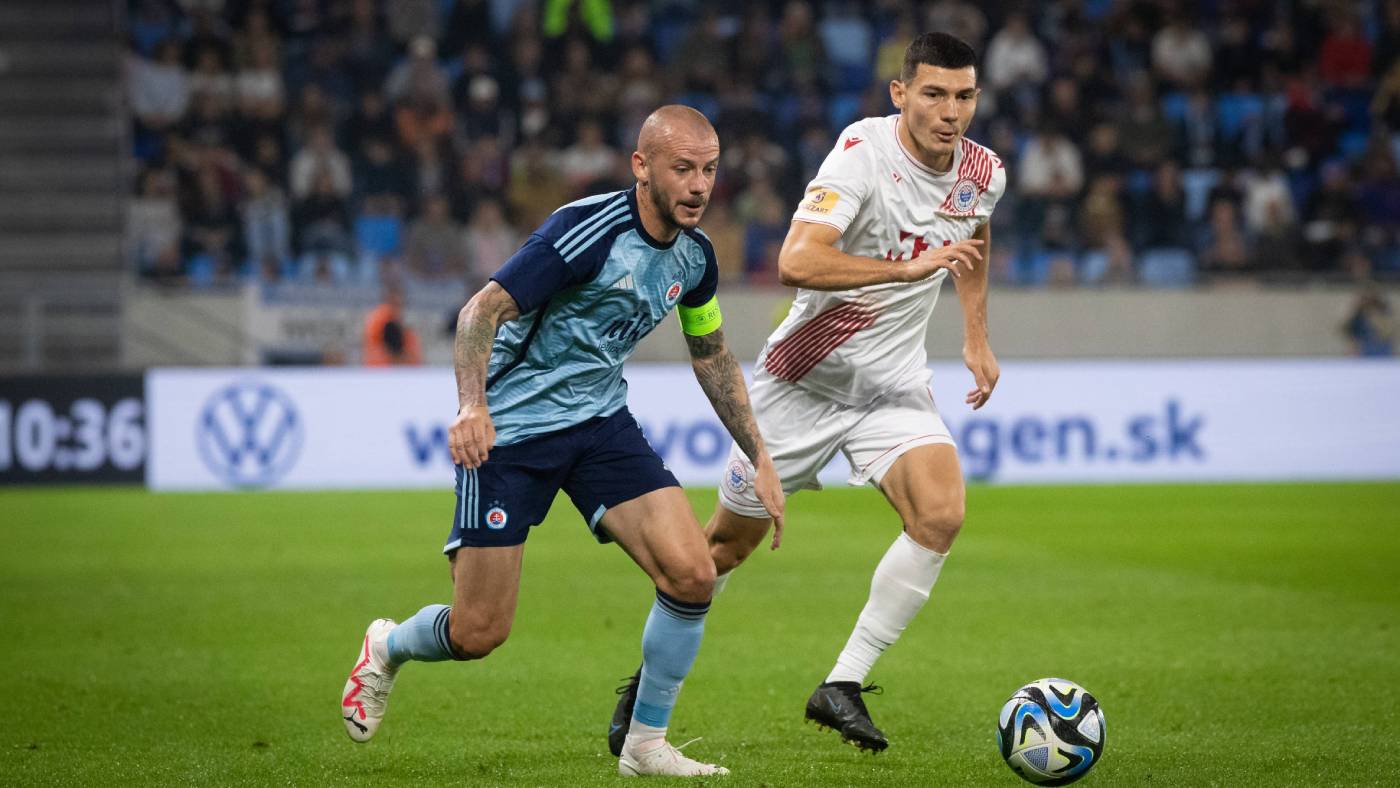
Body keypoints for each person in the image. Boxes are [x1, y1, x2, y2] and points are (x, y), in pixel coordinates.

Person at [341, 105, 784, 778]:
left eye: (710, 170)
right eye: (683, 169)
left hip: (599, 425)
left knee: (693, 574)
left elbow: (712, 354)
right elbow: (480, 310)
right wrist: (472, 406)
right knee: (478, 631)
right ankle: (388, 646)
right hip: (512, 433)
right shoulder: (586, 232)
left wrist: (760, 455)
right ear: (642, 167)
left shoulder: (695, 257)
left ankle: (645, 744)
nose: (699, 186)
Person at [608, 32, 1007, 756]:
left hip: (891, 385)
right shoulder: (861, 154)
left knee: (941, 513)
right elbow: (796, 260)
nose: (951, 112)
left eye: (964, 96)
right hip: (802, 383)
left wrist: (975, 336)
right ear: (900, 94)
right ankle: (648, 682)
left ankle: (842, 684)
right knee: (720, 552)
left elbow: (971, 240)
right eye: (934, 94)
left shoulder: (983, 172)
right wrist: (907, 271)